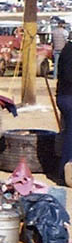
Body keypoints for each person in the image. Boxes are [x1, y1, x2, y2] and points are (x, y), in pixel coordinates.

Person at [55, 39, 72, 186]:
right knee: (70, 136)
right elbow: (68, 75)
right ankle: (64, 172)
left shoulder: (67, 49)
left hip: (65, 96)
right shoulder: (69, 51)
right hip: (68, 98)